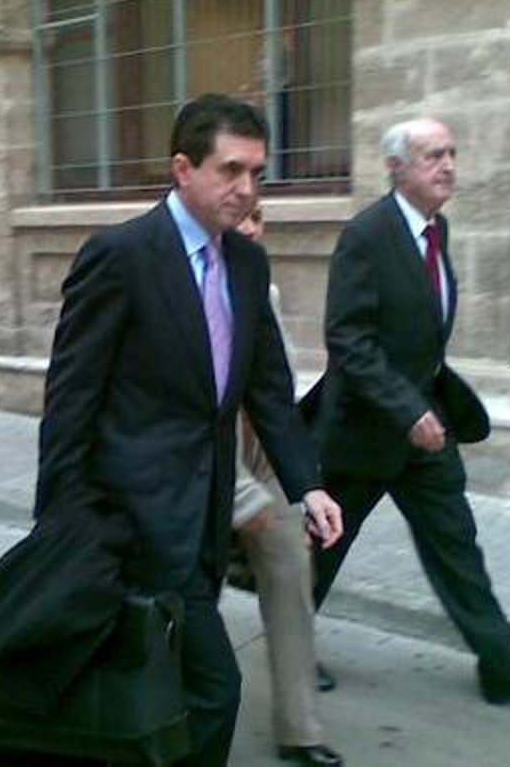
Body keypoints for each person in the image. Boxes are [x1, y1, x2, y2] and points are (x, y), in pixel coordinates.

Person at [28, 94, 343, 766]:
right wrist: (58, 528)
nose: (246, 188)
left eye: (257, 173)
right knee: (214, 690)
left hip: (203, 520)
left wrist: (307, 485)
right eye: (230, 170)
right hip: (130, 519)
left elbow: (268, 390)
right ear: (182, 169)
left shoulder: (248, 265)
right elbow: (71, 403)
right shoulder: (121, 256)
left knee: (157, 688)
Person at [310, 118, 510, 705]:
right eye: (433, 155)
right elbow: (349, 339)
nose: (448, 165)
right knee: (325, 548)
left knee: (455, 542)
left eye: (452, 153)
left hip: (425, 430)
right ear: (396, 167)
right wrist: (405, 409)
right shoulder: (366, 235)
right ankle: (290, 647)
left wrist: (424, 407)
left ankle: (503, 664)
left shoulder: (437, 230)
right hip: (363, 430)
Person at [232, 204, 342, 767]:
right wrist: (239, 494)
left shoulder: (264, 292)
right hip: (207, 463)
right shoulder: (182, 288)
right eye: (240, 219)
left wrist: (307, 487)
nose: (251, 228)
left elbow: (277, 392)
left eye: (258, 217)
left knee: (293, 571)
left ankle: (300, 730)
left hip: (265, 456)